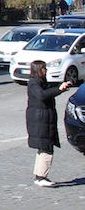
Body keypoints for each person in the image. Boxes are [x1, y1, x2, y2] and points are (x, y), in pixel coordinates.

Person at [26, 59, 74, 187]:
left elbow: (49, 89)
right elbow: (42, 95)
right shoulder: (34, 83)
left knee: (44, 147)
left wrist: (61, 86)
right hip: (40, 120)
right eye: (44, 69)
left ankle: (39, 176)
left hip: (43, 119)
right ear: (38, 70)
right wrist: (59, 89)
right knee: (46, 148)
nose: (46, 71)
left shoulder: (39, 82)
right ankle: (41, 177)